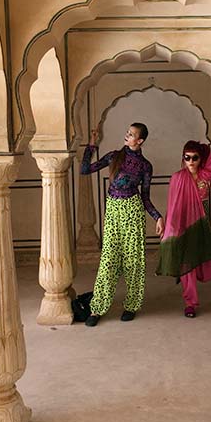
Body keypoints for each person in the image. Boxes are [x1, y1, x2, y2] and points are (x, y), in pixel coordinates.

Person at [156, 116, 211, 318]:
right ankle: (191, 303)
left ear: (200, 159)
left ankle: (189, 289)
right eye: (187, 157)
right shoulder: (178, 177)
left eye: (195, 157)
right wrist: (168, 228)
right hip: (181, 225)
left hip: (200, 225)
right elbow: (173, 206)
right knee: (188, 267)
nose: (191, 162)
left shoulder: (206, 175)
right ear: (183, 158)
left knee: (206, 262)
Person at [80, 123, 164, 327]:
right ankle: (98, 307)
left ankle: (131, 306)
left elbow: (145, 197)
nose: (127, 136)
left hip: (133, 211)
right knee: (108, 259)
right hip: (113, 210)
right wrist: (91, 145)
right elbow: (84, 169)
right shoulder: (113, 156)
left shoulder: (145, 166)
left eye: (132, 134)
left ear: (140, 140)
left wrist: (158, 217)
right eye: (127, 133)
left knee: (133, 260)